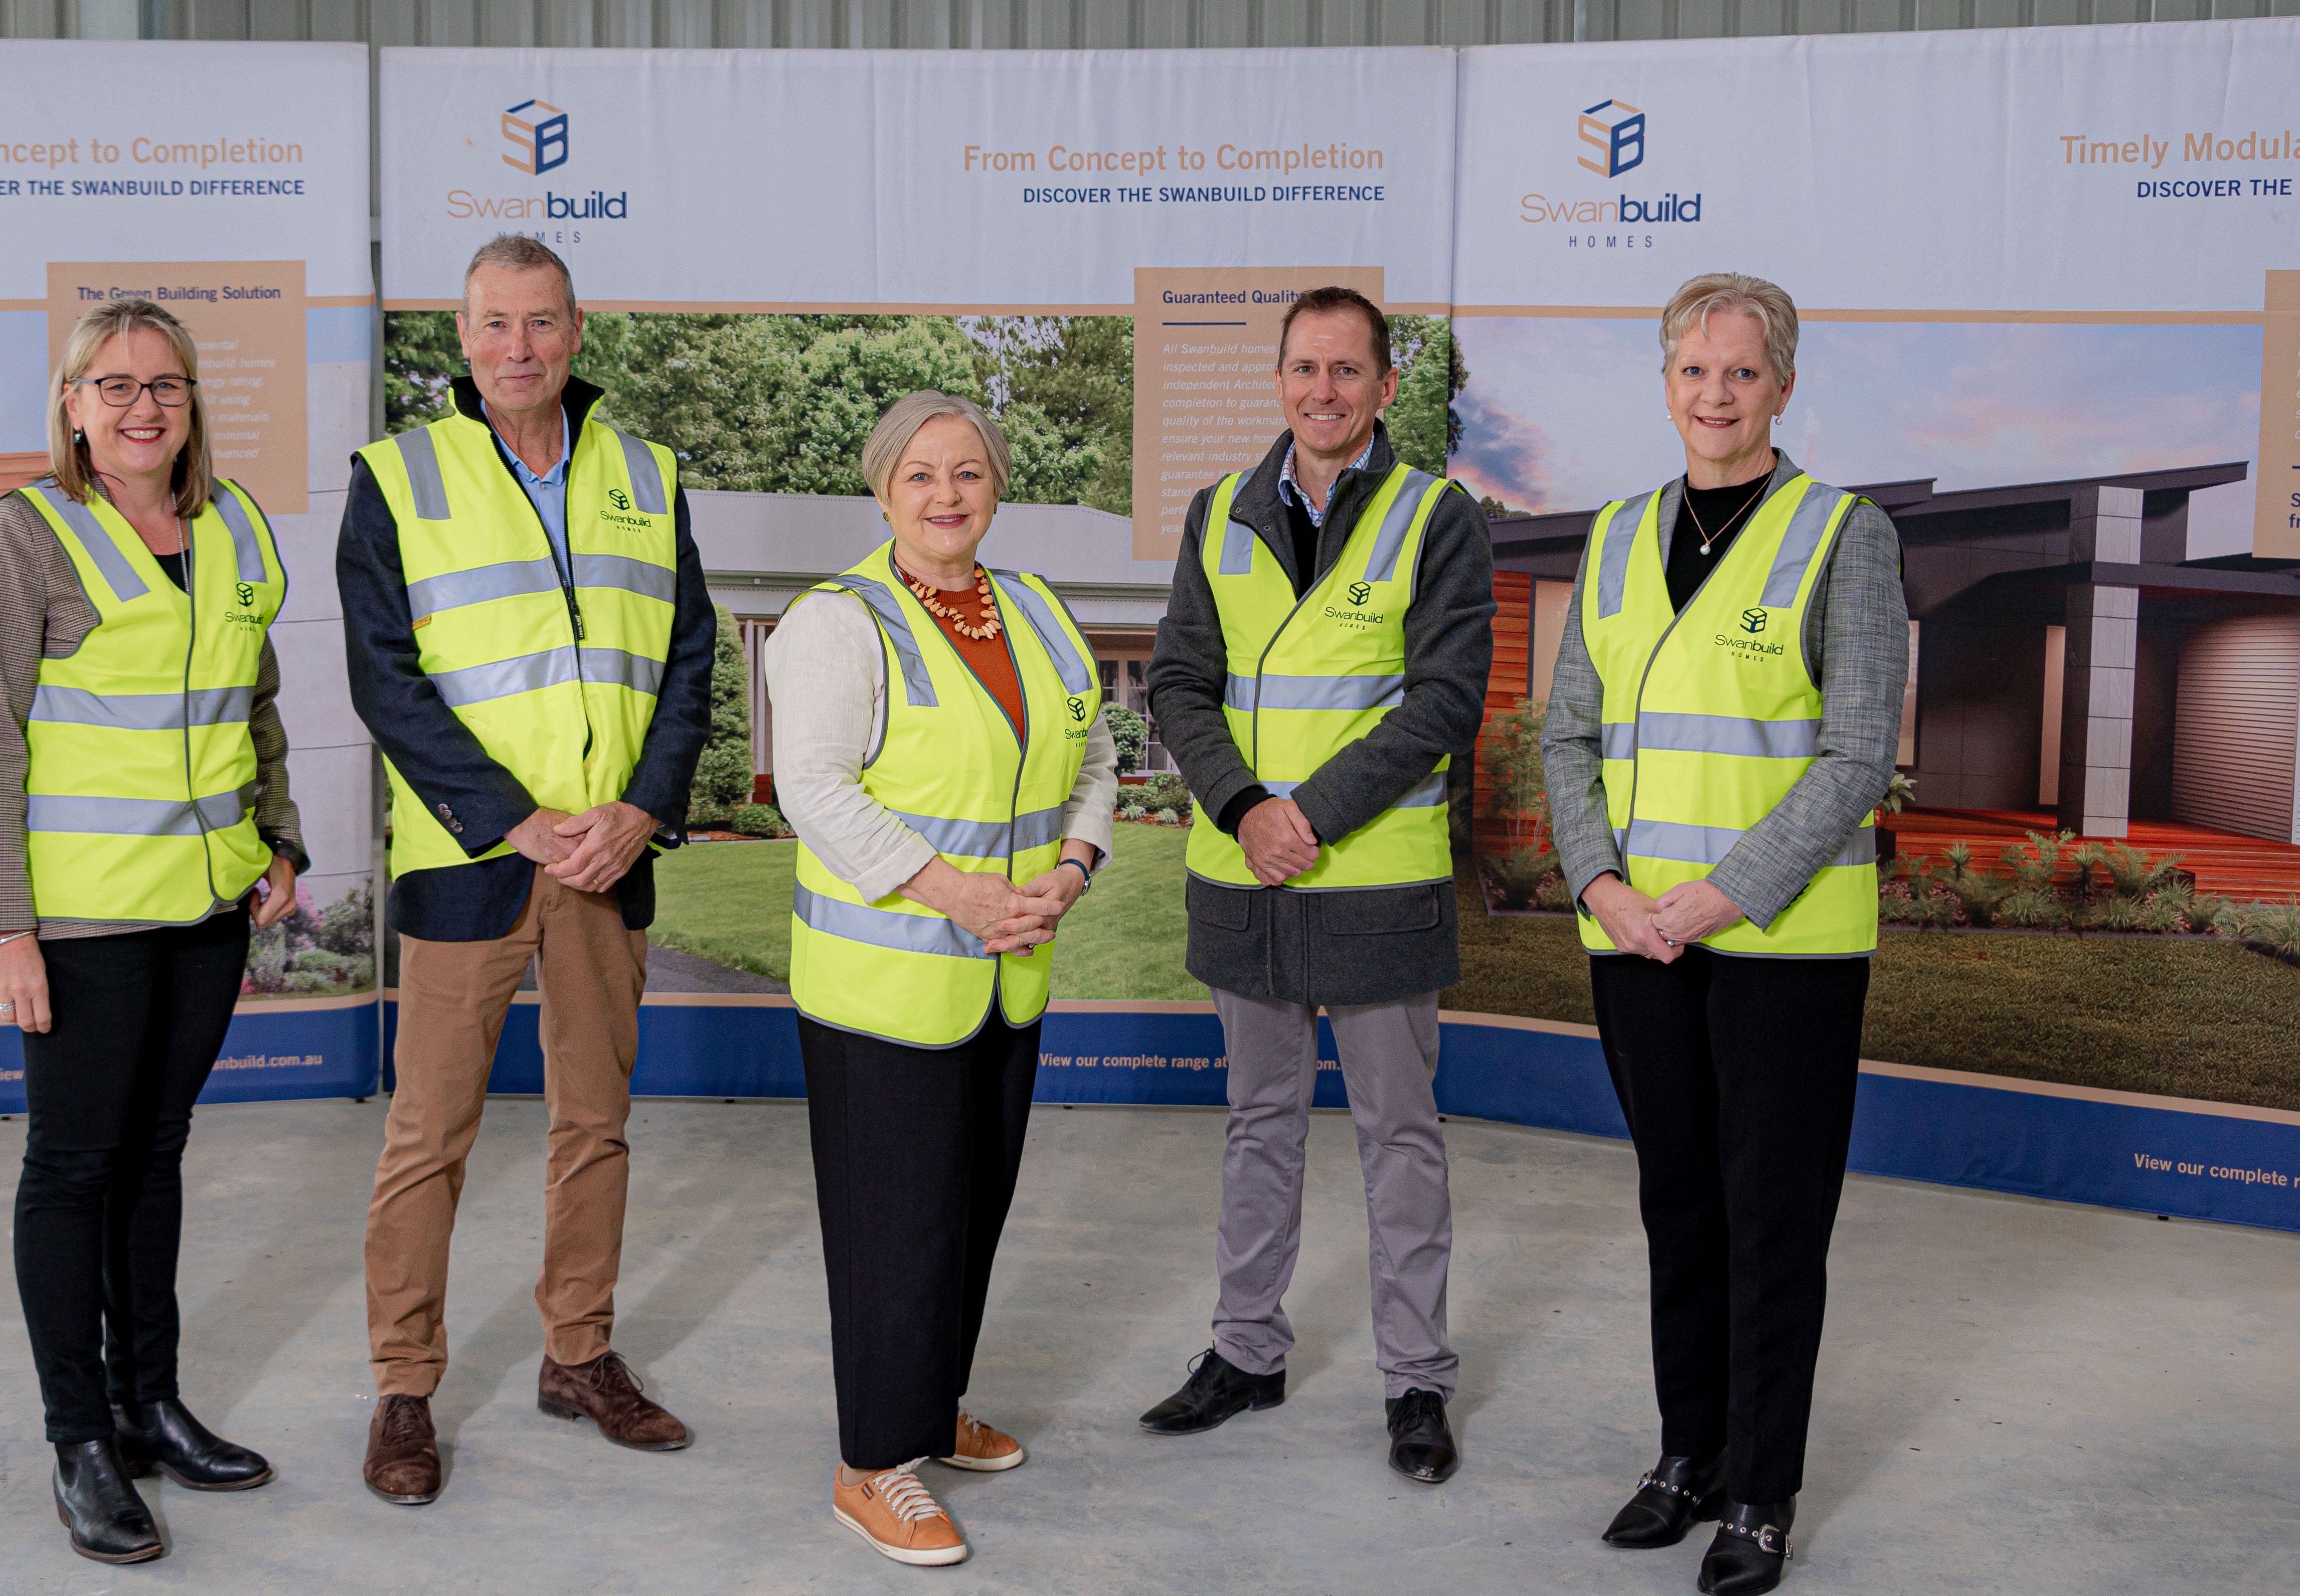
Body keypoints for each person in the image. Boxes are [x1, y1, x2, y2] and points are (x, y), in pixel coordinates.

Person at [1540, 272, 1906, 1595]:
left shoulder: (1842, 536)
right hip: (1637, 944)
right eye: (1694, 372)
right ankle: (1686, 1455)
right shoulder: (1618, 535)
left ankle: (1761, 1491)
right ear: (1666, 383)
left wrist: (1722, 893)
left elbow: (1859, 751)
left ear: (1784, 388)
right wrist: (1601, 888)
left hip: (1782, 953)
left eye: (1741, 374)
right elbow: (1568, 735)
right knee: (1677, 1208)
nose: (1715, 395)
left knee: (1771, 1226)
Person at [339, 235, 717, 1506]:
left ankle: (579, 1353)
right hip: (473, 863)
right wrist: (516, 819)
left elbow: (690, 664)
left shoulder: (649, 473)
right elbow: (386, 680)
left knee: (593, 1127)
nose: (519, 348)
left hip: (608, 859)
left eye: (542, 323)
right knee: (427, 1135)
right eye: (495, 325)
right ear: (462, 337)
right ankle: (404, 1385)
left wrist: (646, 807)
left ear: (575, 330)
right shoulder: (397, 478)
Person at [0, 297, 304, 1565]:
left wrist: (279, 834)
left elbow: (253, 697)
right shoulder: (29, 535)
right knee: (72, 1167)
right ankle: (79, 1439)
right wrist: (1, 924)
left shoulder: (233, 524)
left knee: (154, 1155)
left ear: (192, 398)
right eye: (114, 386)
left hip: (207, 906)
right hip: (85, 914)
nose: (142, 406)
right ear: (72, 403)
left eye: (164, 385)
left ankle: (148, 1405)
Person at [1139, 286, 1498, 1485]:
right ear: (1279, 379)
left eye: (1349, 370)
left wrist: (1310, 816)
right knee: (1258, 1124)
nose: (1324, 390)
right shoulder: (1218, 512)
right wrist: (1247, 810)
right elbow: (1180, 683)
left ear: (1386, 387)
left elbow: (1444, 703)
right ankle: (1247, 1351)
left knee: (1399, 1134)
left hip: (1374, 882)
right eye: (1304, 368)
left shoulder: (1437, 517)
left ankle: (1418, 1383)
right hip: (1247, 874)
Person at [764, 391, 1116, 1568]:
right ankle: (873, 1461)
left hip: (1009, 976)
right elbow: (814, 786)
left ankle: (928, 1404)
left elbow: (1095, 751)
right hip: (890, 989)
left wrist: (1073, 864)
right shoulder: (839, 620)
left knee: (968, 1214)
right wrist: (957, 891)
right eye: (921, 475)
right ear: (883, 490)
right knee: (894, 1227)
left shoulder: (1034, 610)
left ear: (997, 486)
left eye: (968, 472)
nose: (948, 494)